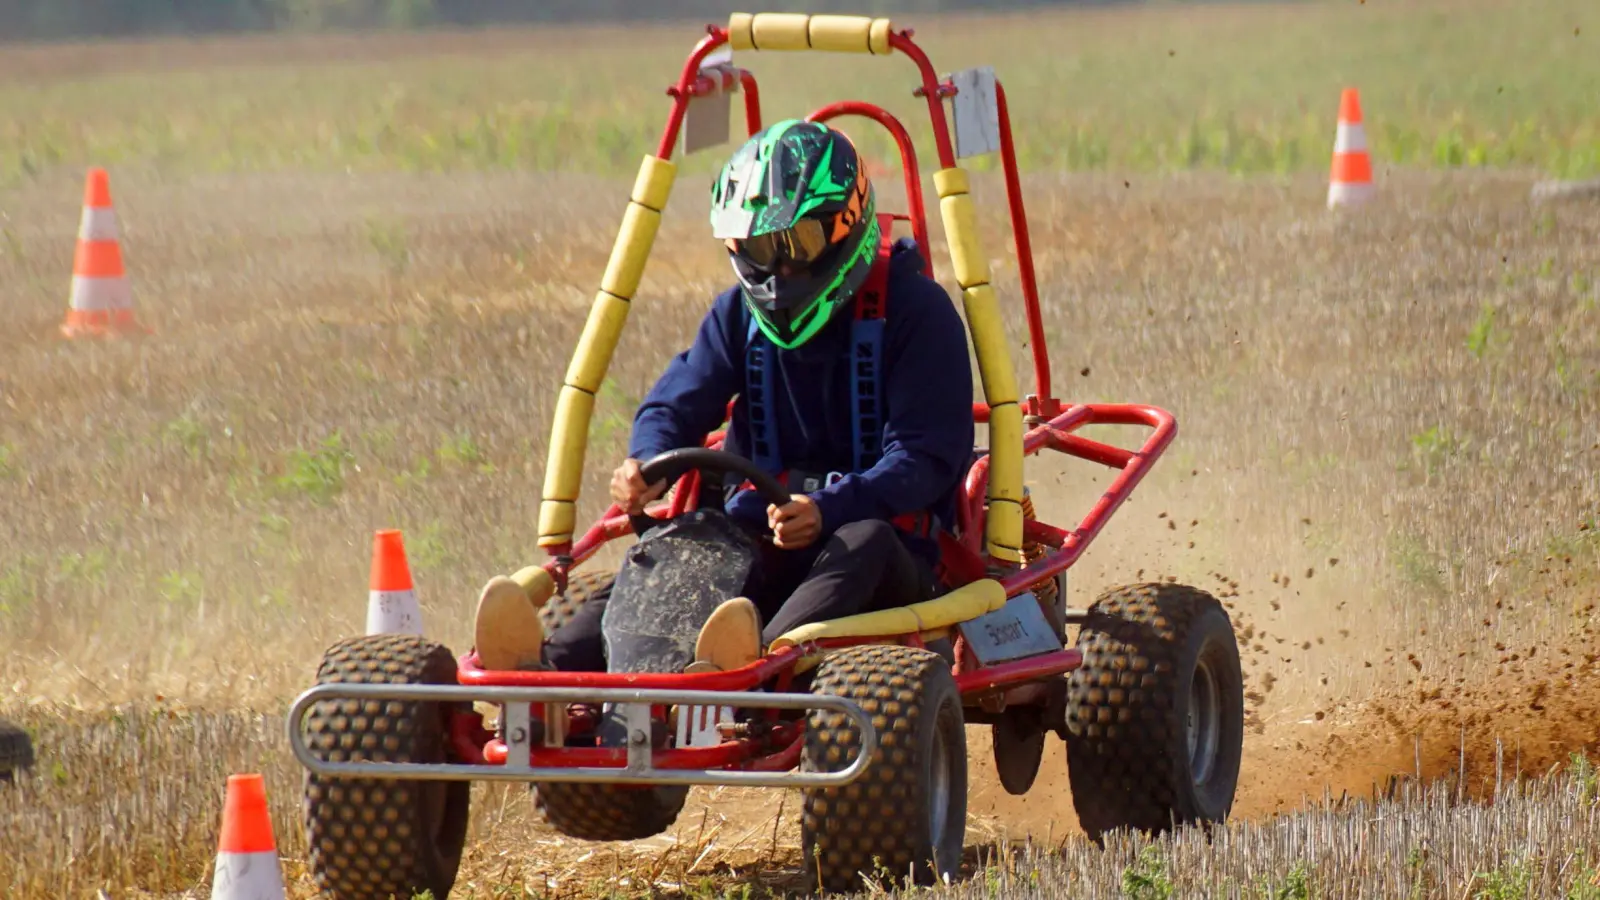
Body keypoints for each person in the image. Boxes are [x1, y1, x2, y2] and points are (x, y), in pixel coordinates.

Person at [474, 119, 975, 674]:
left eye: (798, 243)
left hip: (885, 551)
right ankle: (547, 673)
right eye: (762, 248)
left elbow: (924, 460)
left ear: (845, 225)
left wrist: (828, 508)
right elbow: (674, 404)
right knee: (687, 541)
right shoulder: (738, 314)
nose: (780, 269)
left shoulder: (917, 312)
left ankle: (749, 674)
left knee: (865, 541)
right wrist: (647, 460)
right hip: (756, 538)